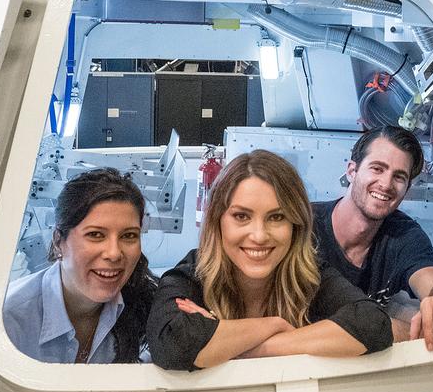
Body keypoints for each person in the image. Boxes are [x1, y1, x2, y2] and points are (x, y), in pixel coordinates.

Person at [147, 150, 392, 371]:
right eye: (241, 216)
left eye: (276, 217)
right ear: (217, 222)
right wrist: (273, 324)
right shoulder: (190, 275)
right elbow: (172, 344)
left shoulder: (311, 276)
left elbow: (373, 325)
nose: (259, 235)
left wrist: (239, 346)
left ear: (295, 224)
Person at [314, 125, 433, 357]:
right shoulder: (304, 228)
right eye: (377, 168)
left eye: (399, 177)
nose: (386, 184)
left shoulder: (403, 234)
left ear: (406, 189)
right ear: (352, 171)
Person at [3, 168, 158, 364]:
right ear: (59, 241)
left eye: (128, 236)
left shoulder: (145, 303)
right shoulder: (8, 320)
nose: (114, 253)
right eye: (95, 235)